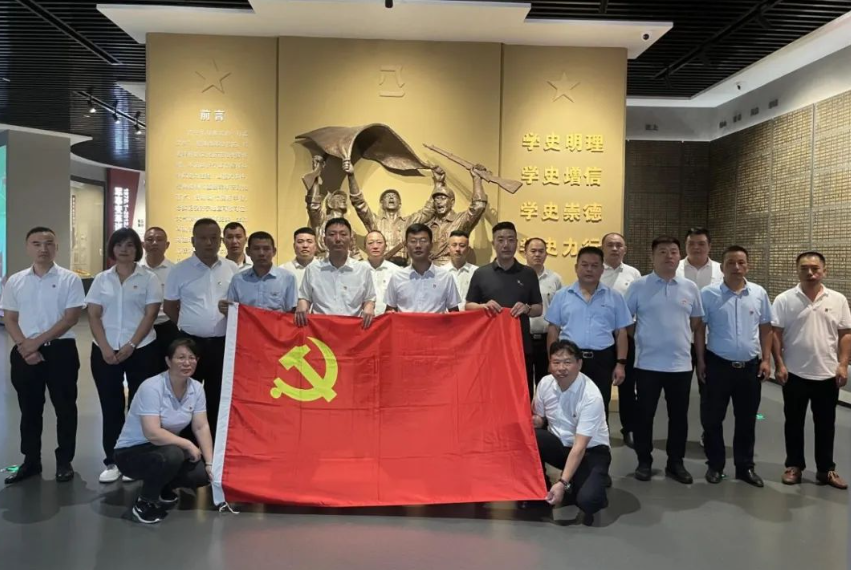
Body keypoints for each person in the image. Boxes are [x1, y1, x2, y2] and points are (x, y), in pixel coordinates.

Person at [1, 227, 85, 485]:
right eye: (36, 243)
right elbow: (10, 318)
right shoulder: (15, 281)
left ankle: (64, 460)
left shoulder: (70, 279)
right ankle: (31, 461)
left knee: (65, 408)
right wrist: (24, 346)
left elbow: (70, 318)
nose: (43, 248)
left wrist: (35, 343)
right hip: (24, 351)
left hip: (60, 351)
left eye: (48, 243)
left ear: (56, 247)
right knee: (29, 409)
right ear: (27, 247)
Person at [86, 228, 163, 484]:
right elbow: (93, 315)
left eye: (129, 245)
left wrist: (131, 344)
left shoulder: (149, 278)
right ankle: (113, 460)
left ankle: (136, 460)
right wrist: (105, 347)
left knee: (139, 407)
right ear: (112, 249)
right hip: (105, 350)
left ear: (137, 249)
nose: (124, 249)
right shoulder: (102, 279)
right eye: (119, 245)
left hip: (142, 350)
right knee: (111, 406)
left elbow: (150, 315)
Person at [625, 236, 703, 484]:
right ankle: (644, 461)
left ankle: (675, 462)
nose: (669, 256)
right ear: (652, 256)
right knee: (644, 416)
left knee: (679, 417)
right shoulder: (639, 286)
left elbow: (695, 322)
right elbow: (626, 322)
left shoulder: (690, 287)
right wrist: (645, 337)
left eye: (673, 251)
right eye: (662, 251)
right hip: (647, 364)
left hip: (680, 364)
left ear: (679, 256)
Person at [772, 251, 851, 490]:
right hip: (794, 373)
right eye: (804, 268)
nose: (810, 273)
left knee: (826, 424)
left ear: (824, 271)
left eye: (815, 268)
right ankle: (794, 465)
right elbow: (776, 334)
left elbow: (845, 334)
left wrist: (843, 364)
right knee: (793, 423)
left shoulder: (837, 299)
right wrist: (779, 364)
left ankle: (826, 469)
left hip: (827, 374)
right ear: (797, 271)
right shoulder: (784, 299)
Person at [694, 246, 772, 487]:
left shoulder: (758, 293)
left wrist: (766, 359)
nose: (736, 267)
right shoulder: (708, 294)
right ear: (722, 267)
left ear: (747, 265)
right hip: (718, 365)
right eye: (731, 263)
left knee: (747, 420)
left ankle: (745, 467)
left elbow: (766, 328)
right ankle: (715, 465)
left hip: (749, 367)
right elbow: (700, 330)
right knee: (712, 419)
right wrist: (701, 361)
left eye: (741, 262)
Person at [113, 338, 213, 524]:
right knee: (174, 454)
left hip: (162, 449)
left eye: (192, 358)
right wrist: (187, 444)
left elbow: (201, 426)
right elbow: (152, 433)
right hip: (131, 453)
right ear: (168, 361)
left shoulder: (197, 388)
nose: (187, 363)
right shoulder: (152, 387)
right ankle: (144, 503)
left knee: (201, 474)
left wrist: (210, 463)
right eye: (180, 357)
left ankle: (162, 487)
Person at [163, 218, 239, 439]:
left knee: (218, 394)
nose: (208, 243)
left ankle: (214, 443)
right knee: (187, 393)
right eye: (203, 238)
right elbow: (169, 306)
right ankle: (188, 444)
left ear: (220, 241)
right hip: (191, 343)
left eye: (214, 238)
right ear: (193, 241)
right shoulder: (179, 270)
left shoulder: (232, 269)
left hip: (222, 343)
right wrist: (187, 324)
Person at [546, 246, 630, 420]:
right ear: (576, 268)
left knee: (599, 405)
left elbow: (621, 332)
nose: (589, 269)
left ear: (602, 269)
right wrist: (552, 361)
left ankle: (597, 438)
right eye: (584, 265)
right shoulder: (562, 295)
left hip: (602, 360)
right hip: (569, 359)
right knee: (567, 405)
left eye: (594, 265)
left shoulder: (614, 297)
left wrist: (620, 364)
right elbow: (553, 329)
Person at [532, 340, 611, 526]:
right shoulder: (545, 383)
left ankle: (585, 481)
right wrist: (532, 420)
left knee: (588, 501)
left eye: (567, 362)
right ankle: (540, 485)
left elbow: (580, 447)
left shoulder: (591, 395)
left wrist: (562, 483)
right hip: (561, 447)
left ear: (579, 364)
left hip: (589, 451)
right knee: (531, 436)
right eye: (556, 362)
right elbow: (540, 419)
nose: (561, 368)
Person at [466, 221, 542, 397]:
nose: (506, 245)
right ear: (493, 244)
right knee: (490, 393)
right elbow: (468, 306)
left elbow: (538, 308)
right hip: (489, 346)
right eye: (500, 240)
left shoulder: (528, 273)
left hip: (520, 346)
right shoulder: (481, 273)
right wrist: (483, 306)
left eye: (510, 240)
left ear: (517, 243)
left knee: (521, 393)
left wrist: (527, 308)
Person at [676, 227, 723, 449]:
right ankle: (678, 436)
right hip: (681, 340)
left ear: (709, 246)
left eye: (701, 243)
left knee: (710, 393)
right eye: (691, 243)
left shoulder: (722, 270)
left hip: (711, 341)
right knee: (679, 393)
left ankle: (709, 434)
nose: (696, 247)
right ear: (685, 246)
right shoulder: (674, 269)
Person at [600, 232, 642, 448]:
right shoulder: (596, 271)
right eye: (610, 245)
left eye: (619, 245)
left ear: (625, 249)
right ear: (603, 248)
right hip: (602, 337)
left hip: (628, 335)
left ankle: (629, 429)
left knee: (628, 386)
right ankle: (601, 430)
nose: (615, 249)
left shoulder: (634, 274)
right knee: (601, 388)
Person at [295, 218, 376, 329]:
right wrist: (302, 304)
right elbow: (304, 297)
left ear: (351, 240)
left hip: (352, 330)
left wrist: (369, 307)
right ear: (324, 240)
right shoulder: (313, 269)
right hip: (320, 331)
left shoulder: (363, 269)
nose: (338, 239)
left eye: (343, 234)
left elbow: (369, 298)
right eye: (332, 234)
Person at [346, 159, 432, 260]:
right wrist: (351, 176)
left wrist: (439, 184)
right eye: (387, 196)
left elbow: (428, 211)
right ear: (382, 204)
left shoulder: (409, 222)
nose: (391, 197)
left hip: (403, 265)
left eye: (394, 196)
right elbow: (359, 203)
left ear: (399, 204)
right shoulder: (374, 221)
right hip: (381, 264)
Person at [420, 165, 488, 266]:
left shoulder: (460, 220)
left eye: (443, 198)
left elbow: (478, 206)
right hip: (430, 270)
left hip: (453, 268)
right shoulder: (429, 225)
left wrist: (476, 179)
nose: (439, 202)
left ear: (452, 202)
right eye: (436, 199)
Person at [385, 224, 460, 313]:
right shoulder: (397, 277)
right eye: (413, 241)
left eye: (423, 241)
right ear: (406, 246)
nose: (418, 245)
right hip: (406, 323)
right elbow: (390, 310)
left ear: (431, 245)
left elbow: (454, 312)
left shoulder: (446, 277)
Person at [222, 231, 297, 314]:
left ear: (274, 251)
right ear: (248, 251)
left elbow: (291, 313)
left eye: (266, 249)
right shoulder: (238, 280)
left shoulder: (288, 278)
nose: (261, 253)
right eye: (256, 249)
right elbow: (232, 313)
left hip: (276, 323)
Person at [525, 237, 563, 387]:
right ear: (525, 253)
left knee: (547, 383)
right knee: (524, 382)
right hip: (524, 338)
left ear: (546, 254)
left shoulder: (555, 279)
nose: (537, 254)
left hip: (547, 339)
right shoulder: (518, 277)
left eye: (541, 251)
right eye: (533, 251)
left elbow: (560, 310)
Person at [140, 226, 177, 368]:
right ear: (143, 244)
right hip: (139, 326)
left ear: (167, 245)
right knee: (142, 368)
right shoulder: (135, 270)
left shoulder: (175, 271)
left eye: (159, 240)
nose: (154, 243)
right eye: (150, 239)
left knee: (167, 367)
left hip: (166, 325)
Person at [361, 230, 399, 316]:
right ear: (364, 247)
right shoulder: (357, 270)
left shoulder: (396, 271)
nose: (375, 246)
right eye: (370, 243)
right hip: (362, 319)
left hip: (388, 319)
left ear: (385, 246)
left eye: (379, 242)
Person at [446, 230, 477, 311]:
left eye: (462, 246)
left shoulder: (477, 272)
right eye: (454, 245)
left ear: (468, 249)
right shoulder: (440, 273)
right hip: (446, 317)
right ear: (448, 249)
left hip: (470, 317)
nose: (458, 249)